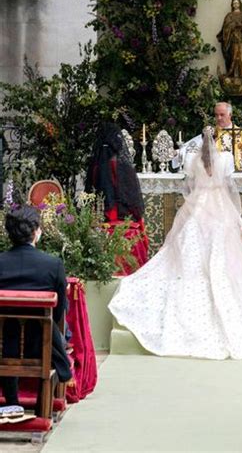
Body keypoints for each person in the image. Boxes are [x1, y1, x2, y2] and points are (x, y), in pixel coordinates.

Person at [109, 127, 242, 360]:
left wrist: (194, 200)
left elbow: (188, 187)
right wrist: (234, 212)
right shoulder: (226, 158)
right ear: (217, 142)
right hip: (222, 206)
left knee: (190, 242)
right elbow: (231, 187)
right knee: (227, 245)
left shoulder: (192, 159)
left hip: (198, 205)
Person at [0, 206, 72, 410]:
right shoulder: (52, 265)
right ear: (36, 231)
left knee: (10, 333)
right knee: (58, 332)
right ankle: (43, 405)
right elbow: (59, 313)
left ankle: (12, 402)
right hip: (39, 343)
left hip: (2, 343)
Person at [85, 122, 145, 223]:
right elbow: (129, 187)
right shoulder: (118, 162)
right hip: (120, 211)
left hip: (100, 211)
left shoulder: (95, 161)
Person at [174, 102, 242, 172]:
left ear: (230, 115)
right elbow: (193, 146)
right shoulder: (211, 133)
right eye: (216, 115)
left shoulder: (241, 134)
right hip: (216, 176)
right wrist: (177, 153)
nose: (219, 118)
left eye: (222, 115)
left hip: (238, 175)